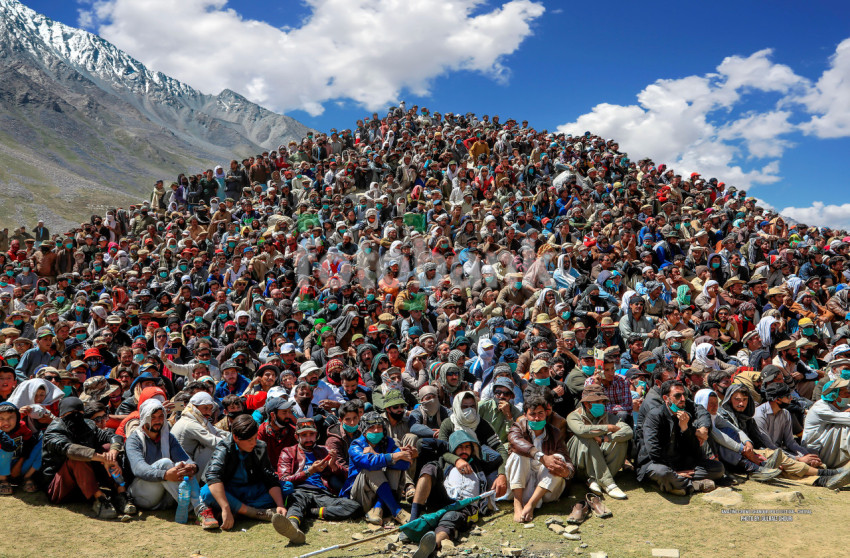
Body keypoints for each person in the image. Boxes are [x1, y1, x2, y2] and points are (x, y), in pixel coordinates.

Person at [125, 399, 215, 527]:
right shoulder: (134, 440)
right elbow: (138, 468)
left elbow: (184, 458)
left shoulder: (167, 436)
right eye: (153, 417)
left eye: (161, 416)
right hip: (143, 495)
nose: (157, 421)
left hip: (166, 496)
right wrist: (165, 474)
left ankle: (201, 510)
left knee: (185, 466)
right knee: (166, 463)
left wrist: (192, 467)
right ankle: (198, 508)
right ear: (145, 418)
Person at [275, 418, 362, 544]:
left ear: (317, 435)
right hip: (299, 490)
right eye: (304, 435)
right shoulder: (288, 452)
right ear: (296, 436)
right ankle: (293, 528)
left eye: (311, 434)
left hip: (321, 493)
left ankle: (311, 512)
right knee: (296, 502)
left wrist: (334, 466)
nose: (308, 438)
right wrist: (309, 471)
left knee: (354, 507)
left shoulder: (324, 450)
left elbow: (346, 475)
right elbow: (283, 479)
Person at [41, 397, 132, 517]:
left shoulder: (87, 425)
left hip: (85, 484)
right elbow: (71, 450)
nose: (76, 416)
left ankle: (121, 493)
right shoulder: (54, 431)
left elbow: (113, 437)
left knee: (107, 447)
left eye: (80, 413)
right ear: (62, 415)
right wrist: (101, 458)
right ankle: (100, 499)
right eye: (71, 414)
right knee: (77, 459)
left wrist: (112, 454)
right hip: (60, 486)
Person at [200, 415, 289, 531]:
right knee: (207, 492)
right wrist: (226, 507)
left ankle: (239, 511)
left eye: (255, 438)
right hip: (230, 491)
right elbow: (213, 476)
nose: (254, 443)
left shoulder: (260, 446)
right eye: (249, 440)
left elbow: (270, 477)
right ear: (236, 437)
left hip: (251, 490)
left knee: (287, 487)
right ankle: (252, 512)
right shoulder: (224, 448)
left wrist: (280, 505)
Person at [636, 381, 723, 495]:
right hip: (657, 463)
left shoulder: (685, 415)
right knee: (663, 473)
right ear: (666, 398)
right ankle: (693, 485)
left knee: (718, 468)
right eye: (677, 395)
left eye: (684, 395)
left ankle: (675, 483)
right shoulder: (655, 416)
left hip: (680, 462)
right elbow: (653, 451)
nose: (683, 399)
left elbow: (694, 449)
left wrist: (685, 429)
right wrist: (674, 472)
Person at [506, 393, 574, 522]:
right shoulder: (518, 427)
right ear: (525, 415)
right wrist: (541, 457)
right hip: (522, 485)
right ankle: (518, 503)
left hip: (545, 489)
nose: (537, 418)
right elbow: (515, 441)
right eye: (532, 414)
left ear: (546, 414)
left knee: (558, 458)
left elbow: (567, 460)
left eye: (540, 413)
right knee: (518, 454)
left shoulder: (554, 433)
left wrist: (567, 472)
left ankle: (531, 505)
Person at [340, 411, 413, 526]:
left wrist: (377, 455)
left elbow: (405, 464)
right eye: (371, 428)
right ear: (364, 431)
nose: (376, 430)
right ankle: (396, 511)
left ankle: (378, 508)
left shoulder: (388, 442)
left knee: (387, 465)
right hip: (361, 495)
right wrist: (392, 457)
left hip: (384, 493)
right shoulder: (356, 446)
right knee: (372, 467)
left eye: (379, 427)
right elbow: (368, 463)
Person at [566, 384, 631, 499]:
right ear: (587, 404)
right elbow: (581, 430)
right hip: (580, 462)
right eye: (598, 402)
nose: (602, 405)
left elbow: (628, 430)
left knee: (621, 439)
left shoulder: (609, 416)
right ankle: (608, 484)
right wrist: (608, 428)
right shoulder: (573, 416)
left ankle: (594, 479)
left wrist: (605, 438)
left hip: (602, 458)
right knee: (586, 437)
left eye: (603, 402)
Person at [170, 391, 224, 480]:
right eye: (205, 408)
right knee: (211, 448)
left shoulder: (197, 419)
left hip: (191, 466)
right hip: (184, 470)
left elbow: (216, 431)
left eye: (210, 409)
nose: (209, 413)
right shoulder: (189, 423)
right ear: (194, 408)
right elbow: (214, 441)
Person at [802, 377, 850, 469]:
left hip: (828, 447)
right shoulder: (820, 408)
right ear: (834, 396)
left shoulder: (840, 405)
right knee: (845, 428)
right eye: (845, 393)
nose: (849, 395)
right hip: (817, 452)